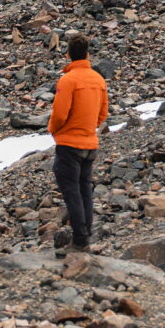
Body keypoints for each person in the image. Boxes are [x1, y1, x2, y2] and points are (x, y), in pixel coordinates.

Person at [48, 33, 108, 251]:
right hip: (89, 143)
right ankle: (85, 237)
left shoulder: (68, 80)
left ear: (68, 55)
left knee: (72, 191)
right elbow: (103, 114)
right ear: (87, 54)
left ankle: (80, 241)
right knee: (84, 191)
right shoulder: (98, 79)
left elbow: (60, 114)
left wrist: (53, 130)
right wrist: (89, 128)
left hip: (69, 144)